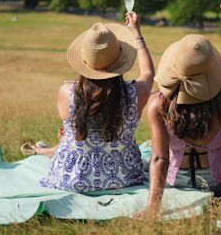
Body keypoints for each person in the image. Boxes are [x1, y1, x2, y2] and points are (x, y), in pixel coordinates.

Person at [36, 11, 155, 193]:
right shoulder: (135, 93)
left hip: (72, 177)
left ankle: (44, 151)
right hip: (123, 177)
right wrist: (137, 33)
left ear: (84, 61)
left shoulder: (67, 92)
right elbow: (148, 74)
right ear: (120, 60)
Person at [142, 0, 221, 217]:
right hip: (217, 182)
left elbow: (160, 159)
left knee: (147, 153)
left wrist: (152, 209)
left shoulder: (157, 103)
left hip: (175, 181)